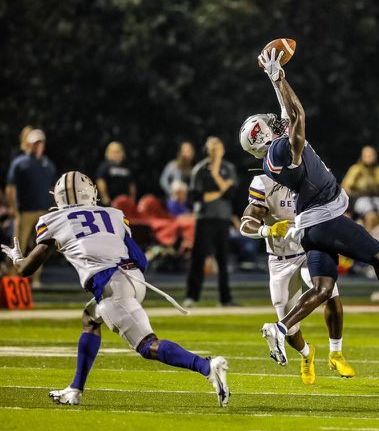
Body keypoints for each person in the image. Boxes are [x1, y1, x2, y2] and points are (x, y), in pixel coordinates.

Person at [239, 47, 379, 366]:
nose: (274, 122)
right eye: (268, 124)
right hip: (324, 217)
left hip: (311, 225)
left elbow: (286, 112)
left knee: (324, 288)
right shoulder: (282, 148)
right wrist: (279, 76)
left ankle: (279, 328)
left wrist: (274, 78)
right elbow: (296, 115)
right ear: (265, 136)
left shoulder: (273, 155)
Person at [1, 171, 229, 407]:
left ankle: (206, 366)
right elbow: (141, 258)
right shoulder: (113, 214)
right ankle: (75, 389)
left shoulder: (54, 220)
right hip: (135, 279)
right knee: (90, 318)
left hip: (110, 286)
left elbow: (26, 269)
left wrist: (17, 257)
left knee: (147, 345)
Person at [240, 172, 356, 383]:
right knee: (290, 329)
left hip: (309, 250)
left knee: (329, 291)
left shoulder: (311, 175)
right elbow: (246, 223)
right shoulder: (264, 183)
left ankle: (336, 352)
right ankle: (306, 353)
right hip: (280, 259)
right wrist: (267, 230)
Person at [183, 136, 238, 307]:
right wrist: (221, 190)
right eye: (212, 148)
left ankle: (225, 298)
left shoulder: (228, 168)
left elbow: (231, 194)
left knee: (223, 260)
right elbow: (197, 197)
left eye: (218, 148)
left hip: (222, 218)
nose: (215, 151)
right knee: (198, 259)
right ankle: (192, 296)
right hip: (204, 218)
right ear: (207, 150)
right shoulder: (200, 169)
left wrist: (215, 176)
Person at [4, 128, 57, 288]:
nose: (38, 145)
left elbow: (54, 187)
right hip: (25, 211)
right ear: (29, 144)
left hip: (44, 212)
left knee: (40, 247)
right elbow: (10, 187)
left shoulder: (48, 164)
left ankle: (35, 279)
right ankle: (12, 278)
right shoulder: (20, 162)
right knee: (19, 244)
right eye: (35, 143)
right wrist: (13, 208)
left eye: (40, 142)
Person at [341, 146, 379, 222]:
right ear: (363, 156)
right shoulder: (357, 169)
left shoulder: (378, 170)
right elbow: (345, 186)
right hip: (359, 198)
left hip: (375, 197)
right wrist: (351, 199)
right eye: (367, 155)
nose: (370, 157)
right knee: (370, 213)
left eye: (371, 155)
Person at [96, 141, 136, 206]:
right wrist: (105, 197)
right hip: (110, 203)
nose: (115, 154)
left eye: (118, 152)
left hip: (125, 203)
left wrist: (132, 199)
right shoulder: (105, 166)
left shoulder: (127, 167)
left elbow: (132, 185)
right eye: (113, 152)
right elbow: (100, 181)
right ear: (108, 153)